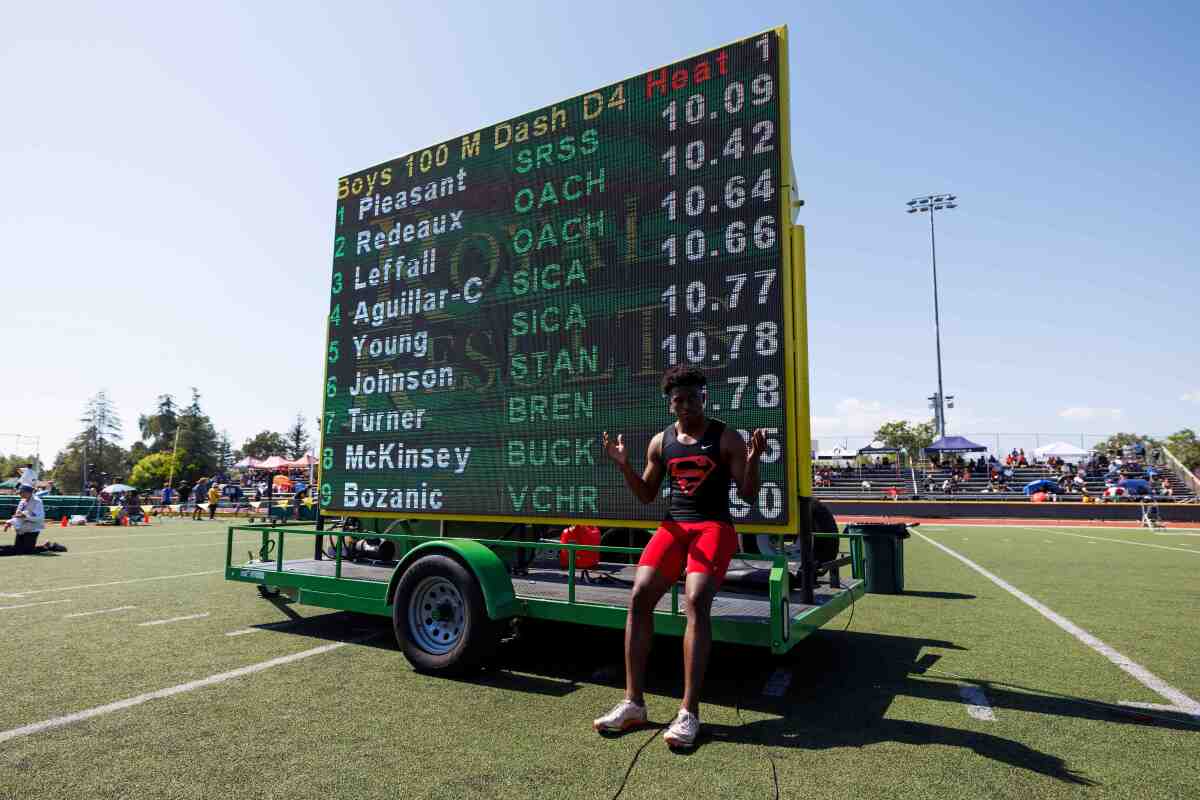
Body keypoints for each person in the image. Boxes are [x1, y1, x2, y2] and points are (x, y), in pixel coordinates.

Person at [592, 365, 766, 749]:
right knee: (638, 598)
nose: (685, 406)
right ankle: (633, 703)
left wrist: (753, 460)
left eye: (691, 399)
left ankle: (688, 712)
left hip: (713, 527)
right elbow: (646, 496)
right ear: (670, 404)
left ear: (704, 398)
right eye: (678, 401)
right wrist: (624, 466)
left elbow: (749, 495)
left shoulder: (726, 437)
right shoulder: (661, 441)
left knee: (696, 600)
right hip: (674, 526)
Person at [2, 484, 47, 554]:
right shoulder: (22, 502)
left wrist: (25, 516)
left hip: (32, 530)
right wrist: (9, 522)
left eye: (21, 492)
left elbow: (39, 518)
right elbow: (18, 516)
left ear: (28, 492)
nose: (19, 494)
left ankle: (48, 547)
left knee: (25, 551)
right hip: (21, 529)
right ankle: (45, 546)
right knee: (18, 549)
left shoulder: (37, 502)